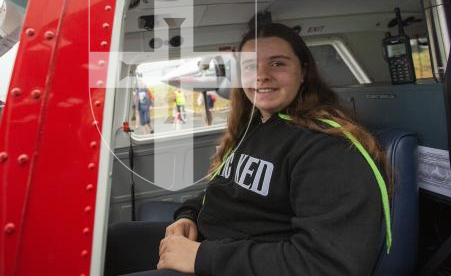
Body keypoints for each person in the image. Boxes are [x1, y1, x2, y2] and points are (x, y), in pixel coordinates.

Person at [106, 22, 390, 276]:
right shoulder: (253, 127)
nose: (262, 75)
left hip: (236, 261)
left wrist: (203, 258)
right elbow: (222, 188)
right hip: (214, 245)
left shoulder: (329, 148)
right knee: (116, 241)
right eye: (250, 66)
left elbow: (328, 264)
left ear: (303, 72)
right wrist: (187, 216)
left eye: (277, 64)